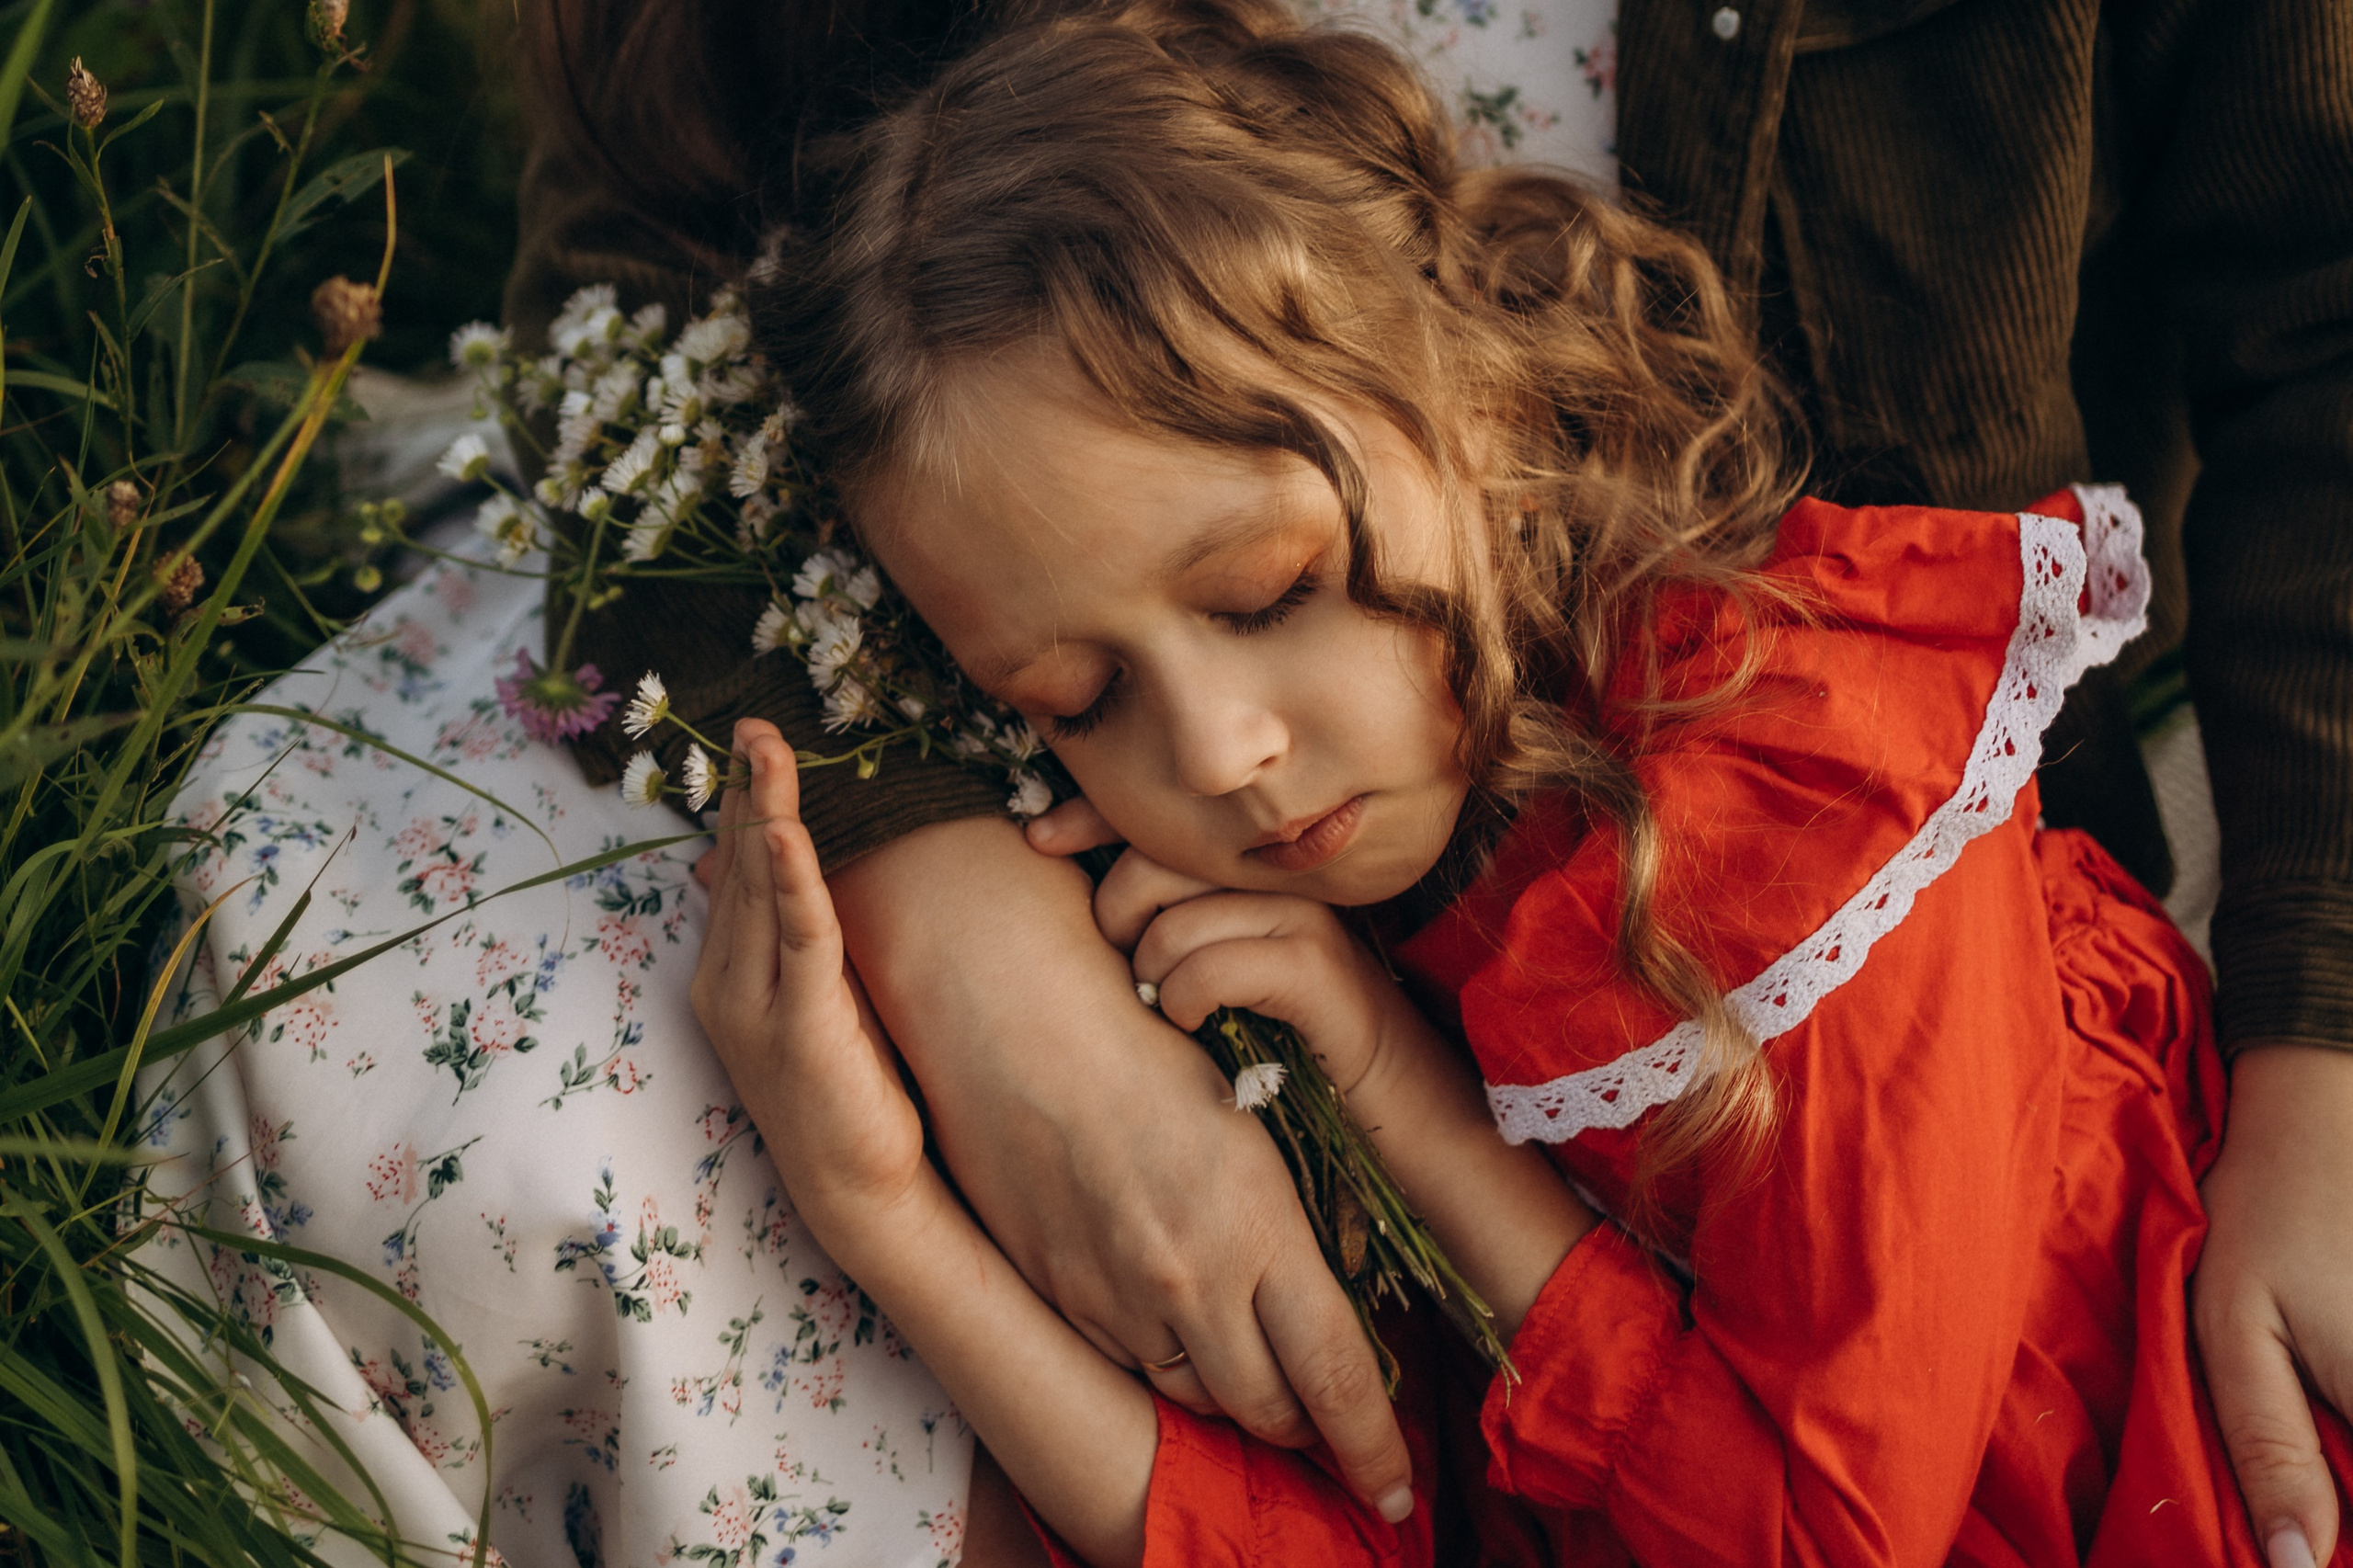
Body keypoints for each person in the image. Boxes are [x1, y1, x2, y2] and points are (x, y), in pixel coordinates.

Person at [517, 0, 2353, 1555]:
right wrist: (881, 1213)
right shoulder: (1348, 876)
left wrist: (1410, 1110)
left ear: (1478, 390)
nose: (1216, 755)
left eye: (1265, 594)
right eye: (1072, 699)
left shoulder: (1800, 839)